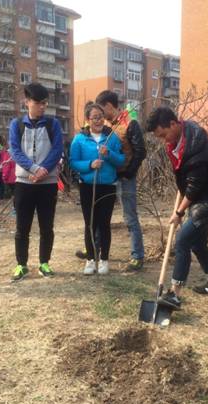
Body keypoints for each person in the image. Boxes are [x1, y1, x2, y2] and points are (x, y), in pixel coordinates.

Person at [146, 107, 208, 310]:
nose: (163, 140)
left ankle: (174, 294)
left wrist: (179, 212)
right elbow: (187, 180)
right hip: (200, 198)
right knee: (198, 244)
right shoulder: (180, 140)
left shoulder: (195, 147)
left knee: (182, 240)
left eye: (163, 134)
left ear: (173, 124)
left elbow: (194, 186)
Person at [8, 83, 63, 281]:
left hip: (47, 183)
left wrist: (43, 170)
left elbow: (57, 150)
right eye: (38, 103)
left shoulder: (53, 124)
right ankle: (21, 265)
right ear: (27, 102)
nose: (42, 106)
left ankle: (44, 263)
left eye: (45, 103)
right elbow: (15, 151)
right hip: (24, 183)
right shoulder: (17, 124)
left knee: (46, 226)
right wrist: (33, 169)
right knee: (22, 227)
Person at [70, 102, 125, 275]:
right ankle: (90, 260)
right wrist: (90, 164)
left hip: (108, 186)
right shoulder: (79, 139)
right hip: (87, 187)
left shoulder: (112, 137)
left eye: (101, 117)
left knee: (104, 224)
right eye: (94, 117)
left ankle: (104, 260)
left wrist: (109, 154)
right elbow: (73, 162)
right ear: (88, 120)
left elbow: (121, 160)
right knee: (90, 224)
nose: (98, 120)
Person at [94, 90, 146, 271]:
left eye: (102, 110)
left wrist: (129, 173)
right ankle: (94, 249)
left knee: (130, 216)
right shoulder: (106, 125)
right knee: (100, 214)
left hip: (125, 177)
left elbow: (140, 151)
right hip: (107, 177)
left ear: (109, 106)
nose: (100, 114)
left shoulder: (130, 123)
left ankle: (137, 256)